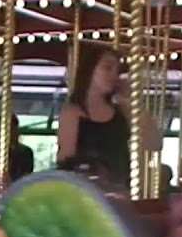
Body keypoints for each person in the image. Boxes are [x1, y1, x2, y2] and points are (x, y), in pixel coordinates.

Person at [56, 46, 162, 187]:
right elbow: (65, 162)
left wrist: (132, 103)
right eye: (107, 68)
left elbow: (154, 143)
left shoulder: (122, 111)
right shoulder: (72, 113)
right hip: (87, 191)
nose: (114, 75)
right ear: (90, 70)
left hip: (120, 188)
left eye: (117, 71)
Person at [0, 113, 35, 186]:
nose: (13, 131)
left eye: (14, 128)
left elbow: (26, 175)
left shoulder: (26, 152)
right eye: (9, 128)